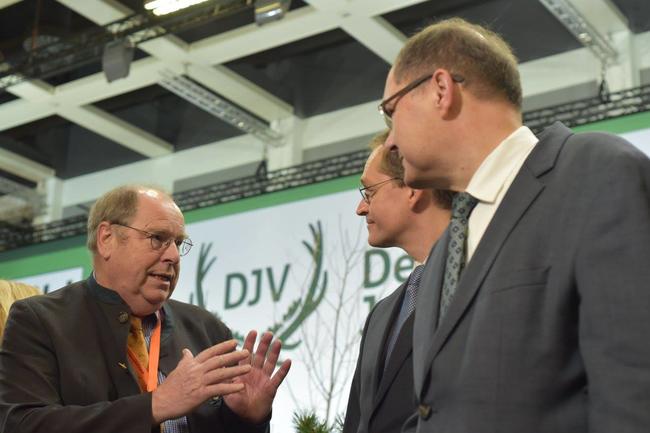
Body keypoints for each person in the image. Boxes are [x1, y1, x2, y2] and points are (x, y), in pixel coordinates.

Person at [381, 17, 650, 433]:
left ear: (440, 90)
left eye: (390, 112)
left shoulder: (595, 172)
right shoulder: (440, 259)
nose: (390, 142)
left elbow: (635, 386)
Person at [0, 185, 291, 433]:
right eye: (158, 239)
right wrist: (155, 405)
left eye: (178, 243)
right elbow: (23, 424)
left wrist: (247, 419)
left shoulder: (207, 329)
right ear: (107, 239)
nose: (174, 256)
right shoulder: (41, 320)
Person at [343, 130, 452, 433]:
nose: (361, 208)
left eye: (370, 192)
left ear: (413, 189)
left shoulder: (477, 288)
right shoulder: (381, 314)